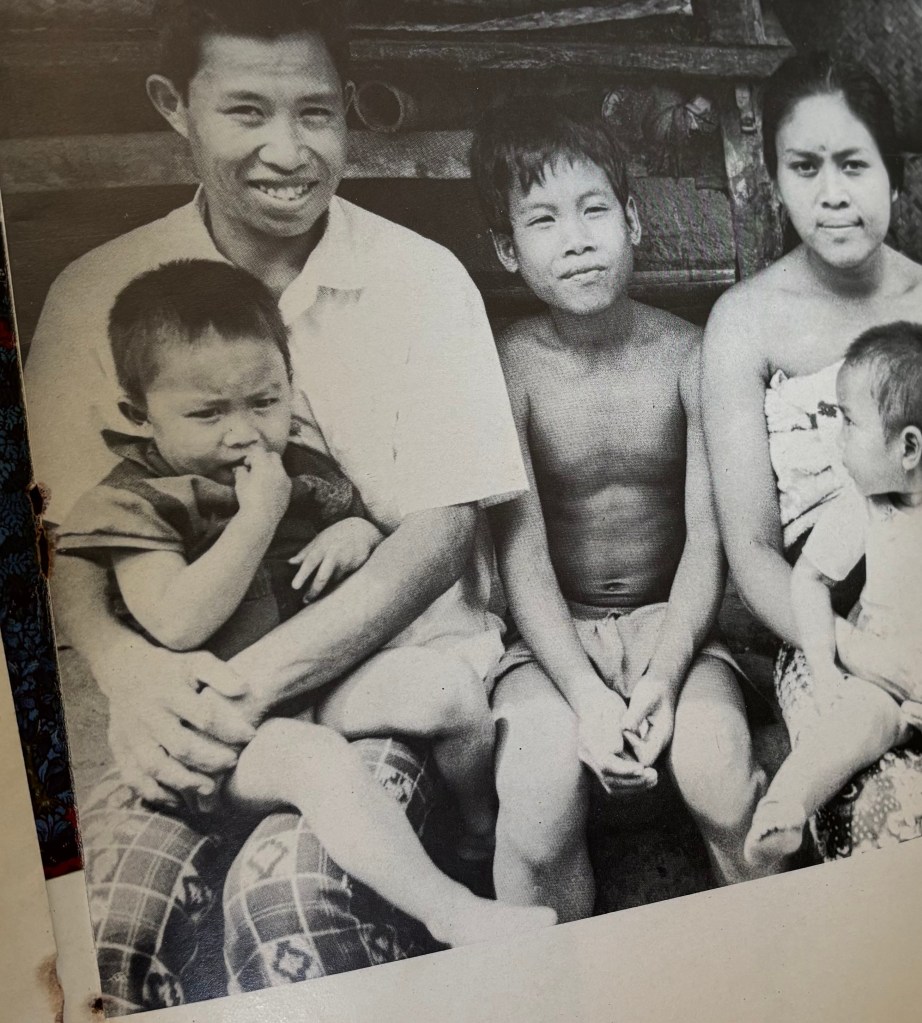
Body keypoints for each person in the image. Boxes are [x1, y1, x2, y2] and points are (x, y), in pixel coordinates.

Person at [23, 0, 528, 1009]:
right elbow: (62, 539)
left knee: (292, 897)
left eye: (316, 113)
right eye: (246, 111)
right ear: (175, 104)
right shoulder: (98, 293)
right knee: (110, 923)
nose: (288, 152)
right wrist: (131, 675)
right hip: (177, 712)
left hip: (377, 685)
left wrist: (245, 689)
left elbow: (439, 532)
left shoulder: (419, 281)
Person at [57, 258, 553, 945]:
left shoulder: (293, 462)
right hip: (227, 736)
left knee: (447, 691)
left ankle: (475, 834)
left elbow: (367, 521)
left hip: (321, 685)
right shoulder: (139, 499)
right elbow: (176, 620)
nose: (244, 432)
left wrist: (355, 532)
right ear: (139, 415)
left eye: (265, 402)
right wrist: (258, 516)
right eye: (207, 414)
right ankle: (449, 909)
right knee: (319, 761)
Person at [468, 100, 771, 923]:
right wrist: (585, 691)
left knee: (716, 769)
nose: (575, 239)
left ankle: (777, 958)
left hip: (676, 621)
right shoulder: (512, 365)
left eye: (594, 209)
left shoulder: (689, 355)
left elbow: (707, 539)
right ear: (507, 249)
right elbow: (522, 553)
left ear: (633, 219)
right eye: (542, 220)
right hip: (551, 635)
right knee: (537, 791)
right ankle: (556, 975)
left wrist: (665, 675)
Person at [703, 51, 922, 863]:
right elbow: (753, 548)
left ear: (894, 177)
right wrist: (855, 649)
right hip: (820, 632)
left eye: (854, 164)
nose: (832, 193)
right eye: (805, 167)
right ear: (773, 180)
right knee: (891, 823)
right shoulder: (745, 322)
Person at [744, 322, 922, 866]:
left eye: (849, 422)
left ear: (908, 447)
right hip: (881, 685)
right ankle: (787, 804)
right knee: (852, 723)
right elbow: (809, 579)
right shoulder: (865, 504)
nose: (837, 439)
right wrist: (824, 670)